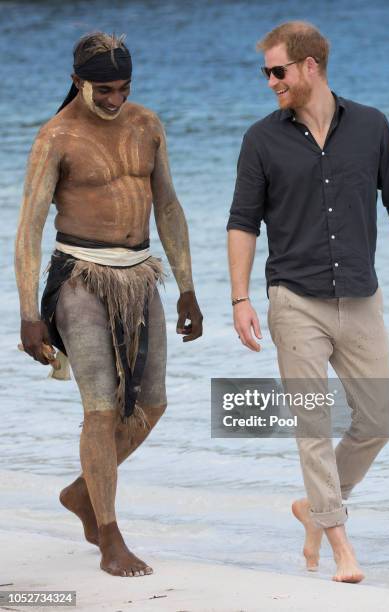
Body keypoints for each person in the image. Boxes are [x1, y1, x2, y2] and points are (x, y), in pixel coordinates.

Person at [227, 21, 389, 583]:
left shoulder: (371, 126)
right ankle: (343, 547)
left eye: (278, 71)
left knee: (379, 420)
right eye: (266, 72)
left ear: (310, 67)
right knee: (313, 426)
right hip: (293, 300)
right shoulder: (261, 139)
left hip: (361, 298)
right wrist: (240, 297)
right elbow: (242, 223)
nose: (270, 81)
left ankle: (315, 510)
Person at [15, 31, 203, 578]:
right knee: (100, 408)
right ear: (78, 81)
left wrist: (188, 287)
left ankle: (82, 492)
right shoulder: (57, 136)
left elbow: (167, 205)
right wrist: (29, 313)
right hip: (79, 277)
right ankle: (109, 536)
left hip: (141, 277)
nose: (116, 99)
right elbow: (28, 230)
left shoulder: (147, 124)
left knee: (153, 405)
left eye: (124, 88)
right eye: (105, 90)